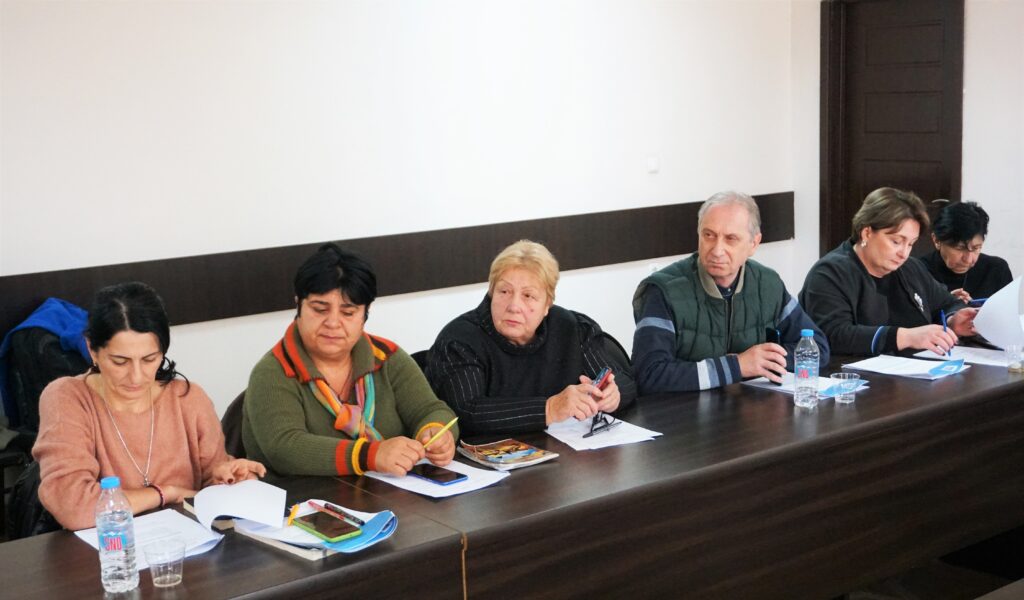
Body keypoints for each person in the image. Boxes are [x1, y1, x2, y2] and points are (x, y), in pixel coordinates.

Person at [33, 282, 265, 531]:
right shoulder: (68, 397)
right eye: (120, 361)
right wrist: (166, 493)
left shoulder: (189, 399)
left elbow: (210, 488)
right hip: (109, 549)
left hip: (188, 544)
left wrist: (233, 481)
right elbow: (75, 507)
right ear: (92, 349)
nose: (136, 377)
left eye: (149, 359)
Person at [242, 244, 458, 477]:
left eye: (348, 312)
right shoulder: (273, 371)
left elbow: (431, 410)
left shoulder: (386, 357)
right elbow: (285, 447)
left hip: (387, 492)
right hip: (298, 497)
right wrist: (370, 455)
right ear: (298, 306)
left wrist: (436, 432)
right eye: (320, 309)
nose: (333, 323)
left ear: (365, 314)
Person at [427, 240, 636, 437]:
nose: (513, 306)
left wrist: (613, 394)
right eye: (504, 291)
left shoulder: (573, 328)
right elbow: (465, 412)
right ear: (491, 293)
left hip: (568, 455)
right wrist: (549, 409)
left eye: (528, 296)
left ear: (547, 305)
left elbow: (622, 378)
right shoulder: (460, 341)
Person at [632, 191, 829, 393]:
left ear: (754, 244)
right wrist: (737, 366)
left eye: (731, 238)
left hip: (751, 407)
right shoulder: (662, 291)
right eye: (709, 235)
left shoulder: (768, 284)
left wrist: (762, 361)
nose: (717, 250)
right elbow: (649, 374)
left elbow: (817, 347)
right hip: (684, 410)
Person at [800, 187, 977, 357]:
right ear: (867, 233)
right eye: (896, 241)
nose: (904, 253)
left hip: (914, 371)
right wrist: (906, 337)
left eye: (910, 244)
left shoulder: (910, 268)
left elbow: (947, 303)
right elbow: (834, 335)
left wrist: (953, 319)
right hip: (849, 373)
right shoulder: (830, 273)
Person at [920, 201, 1012, 304]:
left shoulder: (997, 270)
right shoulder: (918, 271)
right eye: (960, 248)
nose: (968, 260)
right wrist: (945, 305)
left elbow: (1009, 312)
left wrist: (975, 308)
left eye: (976, 248)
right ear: (937, 240)